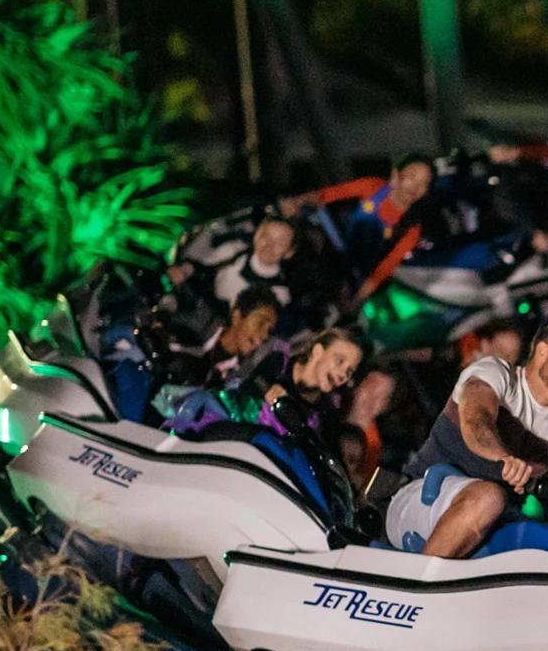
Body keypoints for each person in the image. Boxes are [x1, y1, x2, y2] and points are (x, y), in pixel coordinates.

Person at [385, 317, 548, 558]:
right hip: (423, 498)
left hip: (489, 532)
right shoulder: (495, 373)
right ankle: (419, 588)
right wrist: (503, 457)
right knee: (489, 497)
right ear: (542, 351)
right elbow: (476, 420)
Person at [287, 154, 436, 301]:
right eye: (411, 176)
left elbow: (381, 272)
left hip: (358, 274)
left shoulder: (412, 229)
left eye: (423, 184)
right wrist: (298, 201)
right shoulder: (372, 187)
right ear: (396, 174)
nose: (415, 187)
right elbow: (326, 195)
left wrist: (356, 302)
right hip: (333, 250)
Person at [170, 327, 363, 438]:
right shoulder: (279, 363)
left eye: (349, 371)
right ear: (318, 351)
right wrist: (269, 389)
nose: (343, 375)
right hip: (226, 432)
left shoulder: (325, 410)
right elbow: (245, 388)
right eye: (340, 361)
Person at [170, 213, 299, 313]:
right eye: (266, 236)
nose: (269, 245)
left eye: (279, 243)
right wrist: (182, 272)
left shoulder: (279, 294)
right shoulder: (233, 251)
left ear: (289, 252)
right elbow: (198, 266)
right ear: (257, 234)